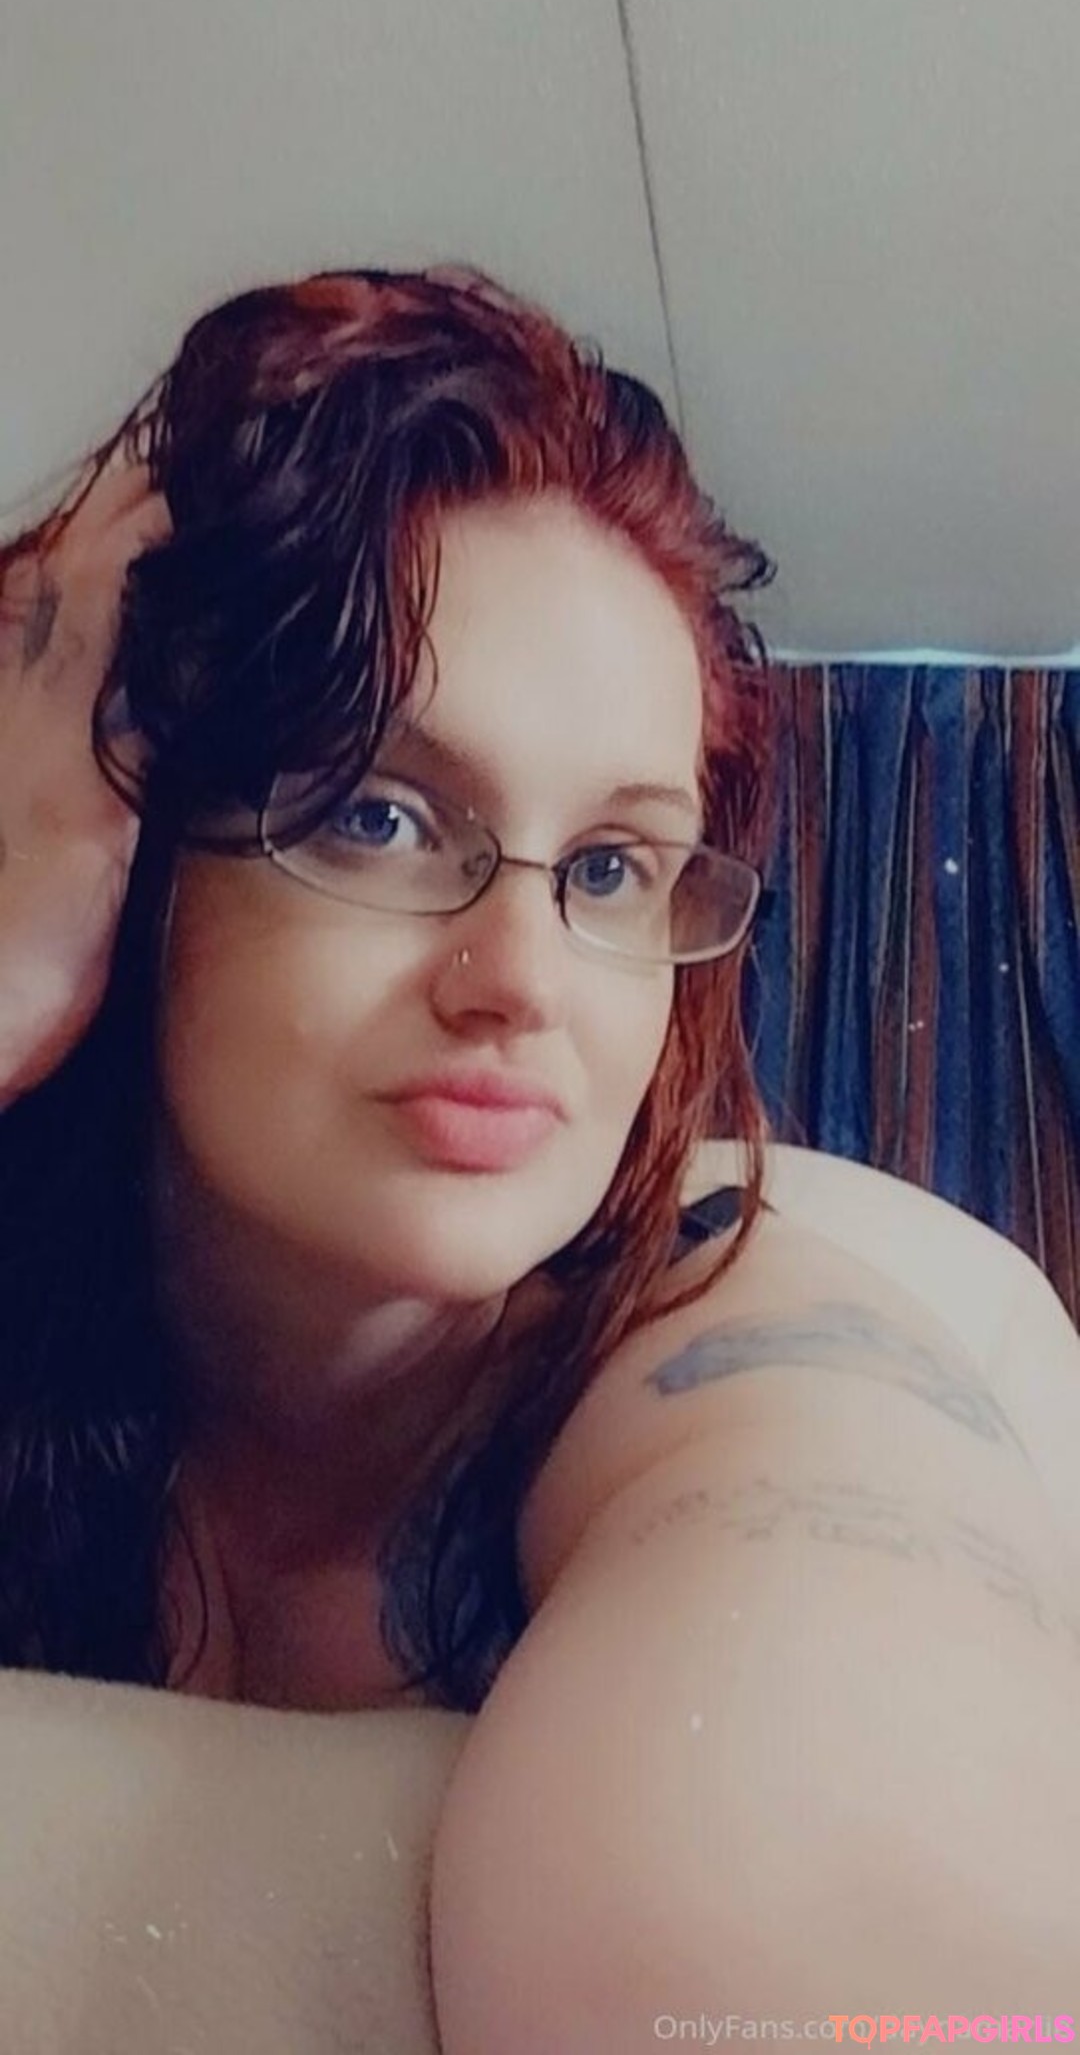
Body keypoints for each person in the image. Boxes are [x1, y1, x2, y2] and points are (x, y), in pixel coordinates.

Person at [0, 265, 1077, 2051]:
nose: (523, 979)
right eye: (380, 814)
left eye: (610, 868)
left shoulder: (738, 1330)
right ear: (125, 839)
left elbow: (822, 1891)